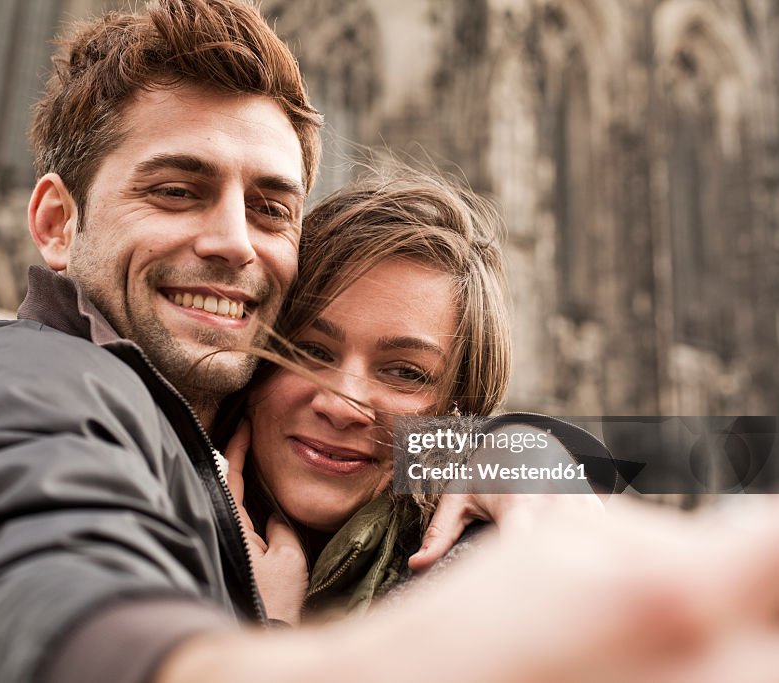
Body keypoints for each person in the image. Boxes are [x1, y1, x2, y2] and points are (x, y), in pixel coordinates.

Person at [0, 2, 779, 683]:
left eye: (270, 206)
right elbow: (46, 587)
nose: (231, 239)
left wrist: (518, 453)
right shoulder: (22, 393)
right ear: (56, 223)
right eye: (175, 188)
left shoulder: (237, 436)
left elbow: (737, 446)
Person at [227, 170, 607, 621]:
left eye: (405, 373)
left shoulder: (480, 577)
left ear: (456, 412)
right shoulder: (153, 507)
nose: (341, 404)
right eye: (310, 350)